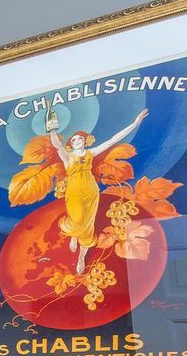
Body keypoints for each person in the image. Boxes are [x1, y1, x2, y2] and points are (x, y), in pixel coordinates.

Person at [50, 109, 148, 274]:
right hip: (74, 191)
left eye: (80, 138)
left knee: (88, 224)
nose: (77, 140)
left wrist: (135, 123)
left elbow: (112, 141)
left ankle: (81, 257)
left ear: (84, 141)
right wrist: (52, 129)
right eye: (74, 140)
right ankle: (74, 235)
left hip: (91, 191)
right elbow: (57, 146)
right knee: (78, 220)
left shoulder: (90, 153)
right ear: (71, 144)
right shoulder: (67, 157)